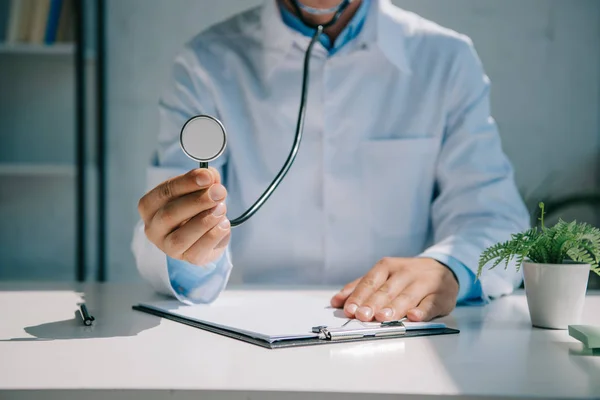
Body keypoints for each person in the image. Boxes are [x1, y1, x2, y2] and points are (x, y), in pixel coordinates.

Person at [132, 0, 530, 323]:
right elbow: (166, 230)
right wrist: (183, 249)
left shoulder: (446, 59)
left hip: (393, 329)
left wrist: (449, 267)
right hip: (249, 333)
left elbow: (495, 219)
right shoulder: (204, 62)